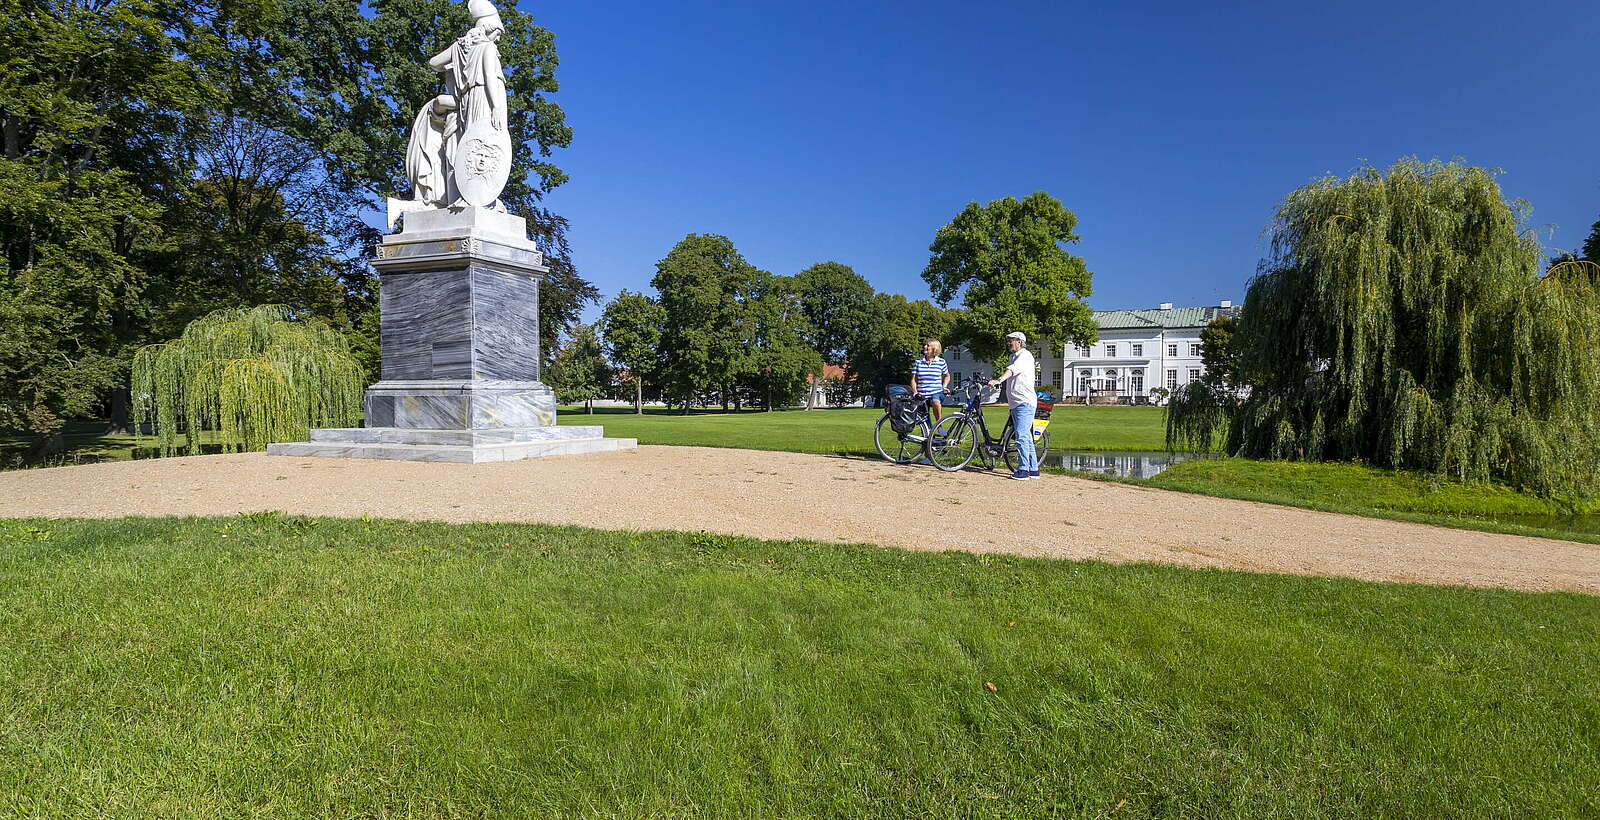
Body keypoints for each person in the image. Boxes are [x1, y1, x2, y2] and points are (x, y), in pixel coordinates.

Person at [988, 331, 1039, 480]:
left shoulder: (1025, 356)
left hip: (1024, 402)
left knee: (1021, 436)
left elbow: (1012, 370)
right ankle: (1034, 469)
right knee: (1027, 437)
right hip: (1016, 403)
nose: (1009, 343)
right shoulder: (1013, 357)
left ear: (1020, 342)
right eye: (1009, 340)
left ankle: (1023, 470)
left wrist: (999, 380)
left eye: (1012, 340)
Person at [910, 339, 950, 422]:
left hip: (937, 392)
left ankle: (939, 425)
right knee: (924, 421)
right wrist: (915, 392)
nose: (924, 347)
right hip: (922, 394)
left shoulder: (941, 362)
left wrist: (944, 387)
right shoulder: (918, 362)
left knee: (935, 401)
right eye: (925, 345)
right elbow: (913, 379)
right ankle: (929, 433)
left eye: (927, 345)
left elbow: (947, 376)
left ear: (934, 348)